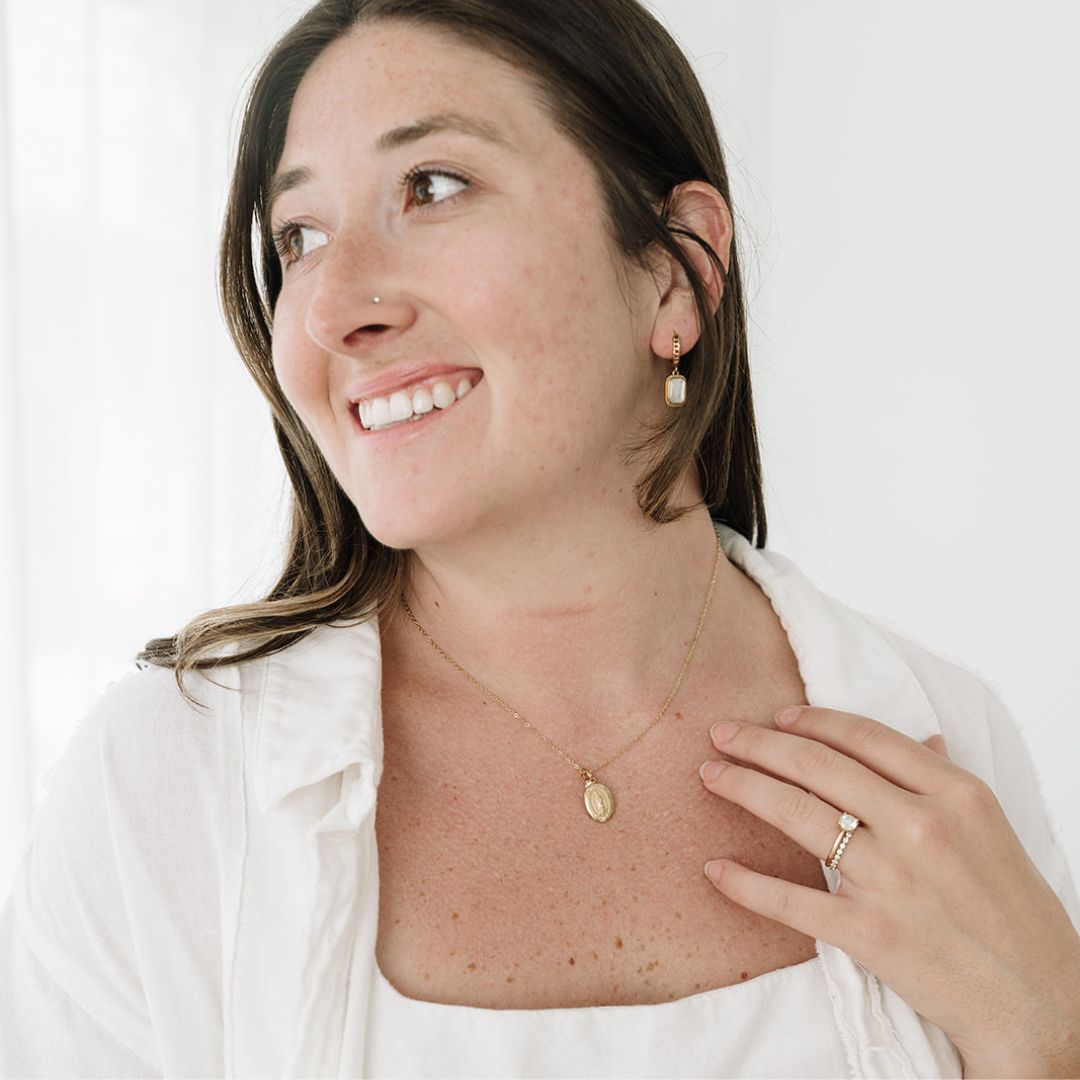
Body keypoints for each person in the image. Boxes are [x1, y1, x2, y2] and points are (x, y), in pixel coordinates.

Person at [2, 0, 1078, 1077]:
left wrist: (1049, 1038)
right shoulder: (168, 791)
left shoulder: (942, 744)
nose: (332, 309)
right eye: (301, 237)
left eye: (432, 186)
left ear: (677, 270)